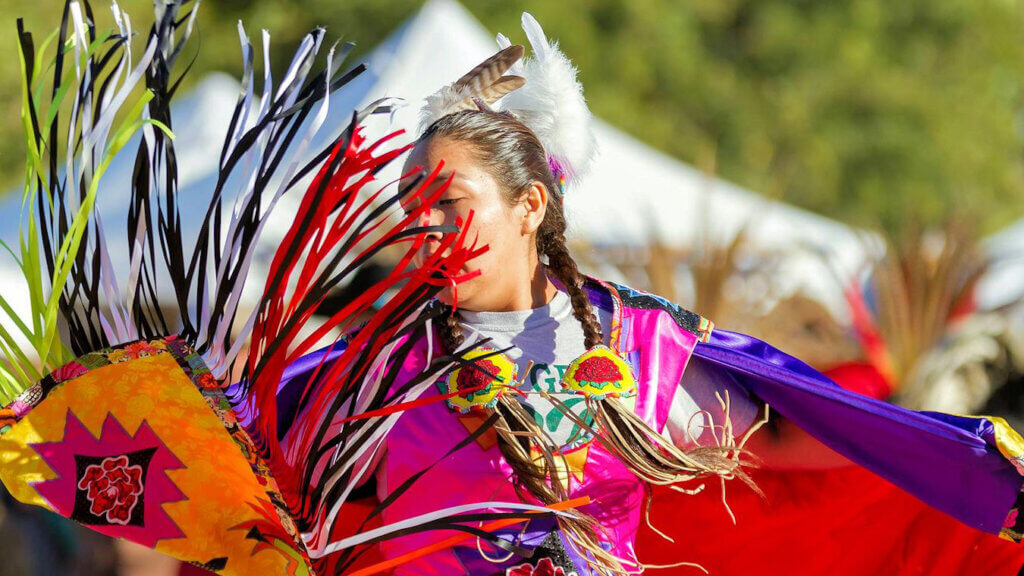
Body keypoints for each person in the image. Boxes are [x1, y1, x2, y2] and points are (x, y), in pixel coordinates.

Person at [271, 15, 1024, 575]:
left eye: (448, 200)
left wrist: (947, 463)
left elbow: (799, 440)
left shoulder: (633, 351)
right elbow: (253, 474)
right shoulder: (373, 373)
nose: (423, 223)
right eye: (411, 203)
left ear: (530, 205)